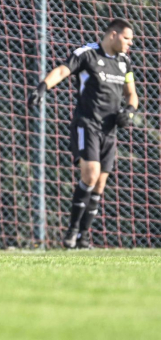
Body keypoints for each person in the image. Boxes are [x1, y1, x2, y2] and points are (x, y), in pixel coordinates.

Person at [28, 18, 138, 249]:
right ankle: (72, 230)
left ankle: (83, 238)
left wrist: (129, 111)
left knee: (99, 185)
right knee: (90, 174)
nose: (130, 43)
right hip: (87, 124)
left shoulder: (124, 62)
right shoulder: (86, 54)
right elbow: (62, 70)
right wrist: (43, 87)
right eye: (127, 38)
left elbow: (132, 94)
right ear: (113, 35)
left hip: (110, 131)